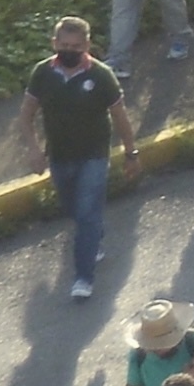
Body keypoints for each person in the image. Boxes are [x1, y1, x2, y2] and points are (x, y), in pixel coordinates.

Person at [27, 15, 136, 300]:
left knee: (87, 213)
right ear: (54, 43)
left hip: (94, 155)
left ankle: (83, 278)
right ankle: (93, 236)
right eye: (64, 45)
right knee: (73, 207)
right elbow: (26, 116)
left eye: (76, 46)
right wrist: (34, 149)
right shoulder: (42, 74)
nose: (69, 51)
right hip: (60, 156)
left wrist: (130, 153)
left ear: (87, 45)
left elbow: (121, 118)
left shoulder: (100, 76)